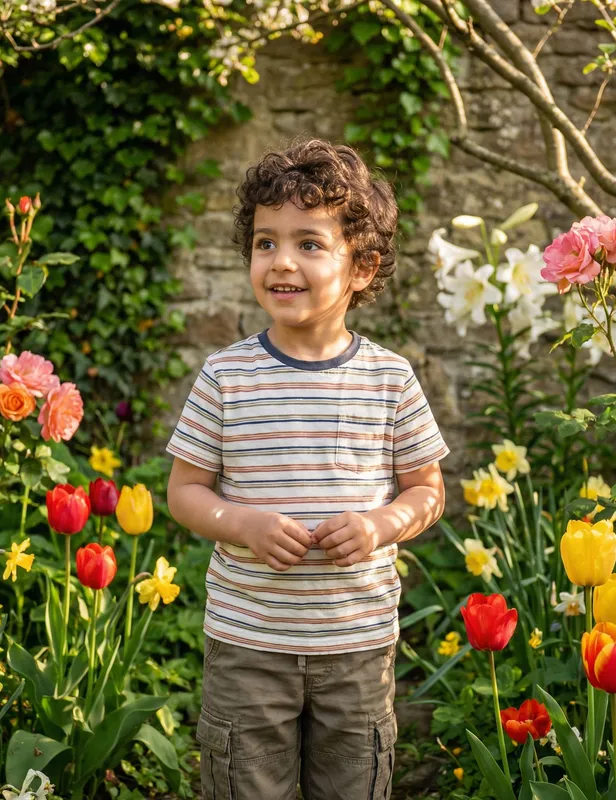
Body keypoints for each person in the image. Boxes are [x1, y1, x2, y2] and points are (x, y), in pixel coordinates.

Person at [165, 137, 448, 800]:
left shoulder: (390, 380)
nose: (281, 262)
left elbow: (427, 490)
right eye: (266, 242)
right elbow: (184, 491)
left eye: (309, 244)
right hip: (247, 647)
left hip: (356, 649)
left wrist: (382, 526)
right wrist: (241, 524)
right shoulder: (226, 377)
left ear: (363, 265)